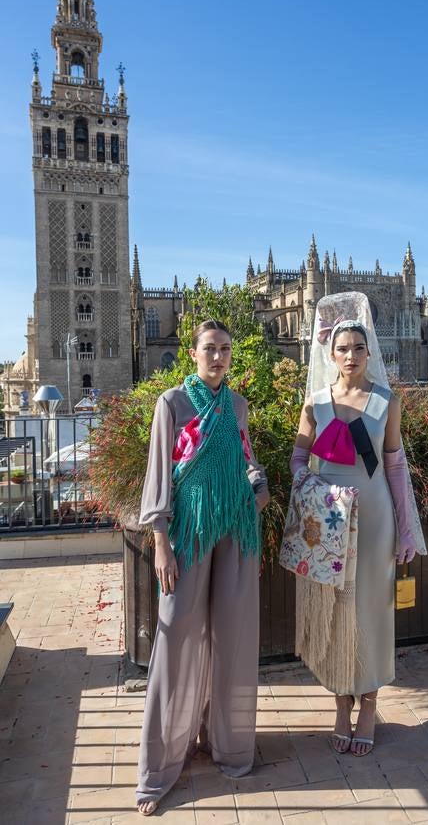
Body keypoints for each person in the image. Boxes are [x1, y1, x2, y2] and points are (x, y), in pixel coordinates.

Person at [135, 319, 269, 816]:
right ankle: (160, 766)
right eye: (210, 349)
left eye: (225, 350)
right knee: (175, 637)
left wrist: (259, 485)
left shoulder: (238, 406)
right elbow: (159, 476)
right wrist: (161, 542)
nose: (218, 357)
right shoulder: (171, 404)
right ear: (192, 354)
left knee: (233, 637)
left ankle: (229, 746)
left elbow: (247, 459)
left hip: (236, 528)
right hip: (188, 534)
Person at [290, 292, 426, 756]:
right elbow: (298, 457)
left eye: (358, 349)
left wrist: (407, 529)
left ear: (370, 354)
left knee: (370, 610)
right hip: (329, 523)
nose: (350, 356)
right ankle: (341, 703)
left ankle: (368, 703)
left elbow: (394, 467)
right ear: (330, 354)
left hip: (374, 519)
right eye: (342, 349)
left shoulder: (386, 401)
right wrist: (310, 490)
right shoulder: (314, 403)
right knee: (334, 612)